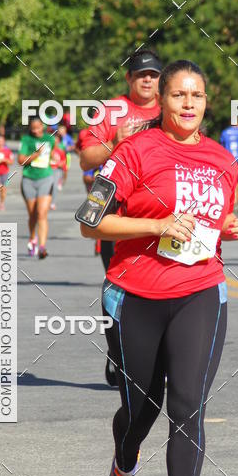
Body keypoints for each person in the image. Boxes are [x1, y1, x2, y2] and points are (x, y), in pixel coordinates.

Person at [79, 59, 238, 476]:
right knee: (142, 406)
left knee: (187, 406)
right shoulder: (134, 151)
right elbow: (91, 222)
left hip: (201, 290)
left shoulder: (223, 160)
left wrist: (232, 229)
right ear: (164, 101)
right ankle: (124, 462)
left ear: (207, 101)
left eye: (196, 95)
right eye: (178, 95)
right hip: (136, 294)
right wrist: (154, 227)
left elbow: (209, 223)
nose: (187, 103)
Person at [78, 47, 163, 384]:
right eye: (141, 74)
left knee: (160, 283)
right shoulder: (111, 110)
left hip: (156, 207)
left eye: (153, 74)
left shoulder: (172, 105)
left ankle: (152, 356)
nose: (147, 79)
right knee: (120, 283)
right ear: (128, 78)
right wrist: (117, 142)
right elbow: (86, 158)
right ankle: (117, 351)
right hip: (113, 204)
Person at [18, 118, 55, 259]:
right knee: (33, 214)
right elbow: (21, 161)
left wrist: (56, 159)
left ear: (42, 126)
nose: (36, 130)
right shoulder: (27, 140)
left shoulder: (50, 140)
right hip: (29, 179)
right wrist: (36, 154)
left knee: (41, 213)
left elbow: (54, 154)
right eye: (33, 128)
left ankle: (42, 247)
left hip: (46, 178)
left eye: (38, 127)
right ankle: (32, 238)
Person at [50, 131, 68, 207]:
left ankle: (52, 203)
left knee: (54, 186)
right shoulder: (47, 151)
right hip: (48, 170)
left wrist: (60, 164)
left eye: (56, 141)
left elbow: (64, 161)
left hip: (57, 170)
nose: (55, 142)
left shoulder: (60, 151)